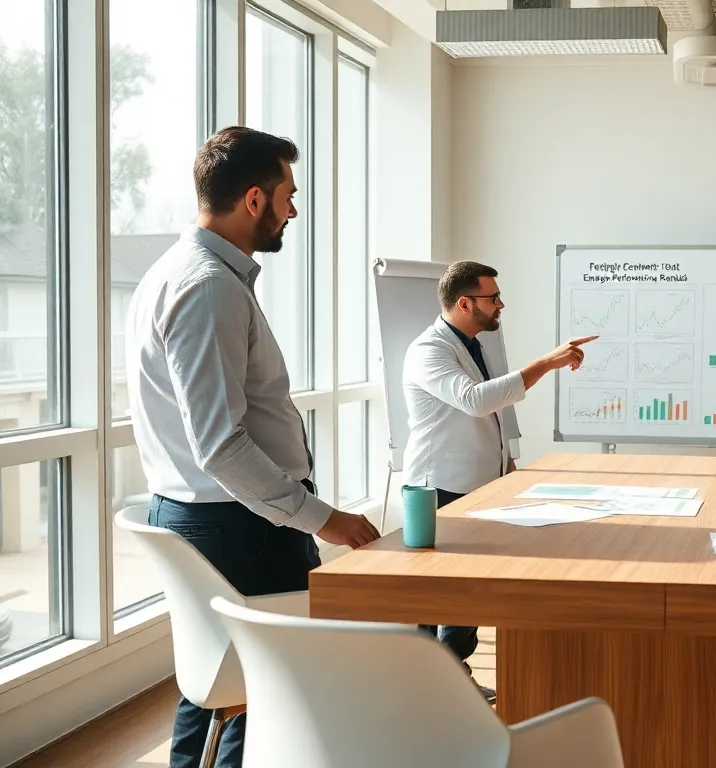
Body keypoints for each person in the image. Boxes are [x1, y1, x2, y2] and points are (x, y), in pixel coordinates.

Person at [126, 126, 381, 768]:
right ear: (253, 200)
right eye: (288, 194)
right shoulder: (208, 286)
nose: (293, 209)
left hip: (220, 520)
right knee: (266, 688)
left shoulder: (179, 273)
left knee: (225, 686)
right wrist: (326, 519)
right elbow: (220, 445)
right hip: (239, 526)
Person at [401, 260, 596, 702]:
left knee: (467, 592)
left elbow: (496, 410)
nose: (501, 304)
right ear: (465, 303)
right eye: (493, 298)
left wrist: (507, 462)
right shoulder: (427, 349)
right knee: (433, 597)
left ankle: (453, 681)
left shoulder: (474, 344)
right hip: (439, 486)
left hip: (478, 483)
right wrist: (547, 362)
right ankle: (421, 688)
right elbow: (473, 401)